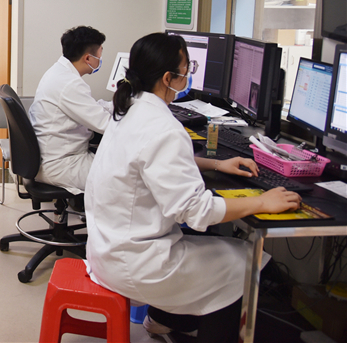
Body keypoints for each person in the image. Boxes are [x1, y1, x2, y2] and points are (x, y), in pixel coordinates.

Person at [85, 32, 301, 342]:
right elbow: (196, 212)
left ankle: (163, 320)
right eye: (187, 68)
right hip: (136, 264)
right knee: (244, 260)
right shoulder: (163, 128)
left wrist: (216, 164)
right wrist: (262, 202)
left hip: (107, 251)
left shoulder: (129, 110)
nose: (188, 75)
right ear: (168, 78)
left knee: (216, 248)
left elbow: (148, 161)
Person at [28, 25, 112, 194]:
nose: (100, 60)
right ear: (88, 58)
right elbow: (107, 125)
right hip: (62, 164)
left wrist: (116, 104)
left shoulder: (59, 72)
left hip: (52, 156)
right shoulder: (70, 84)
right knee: (125, 176)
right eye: (100, 55)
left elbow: (89, 106)